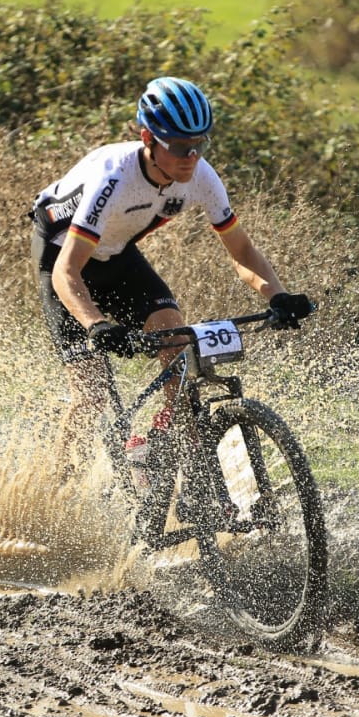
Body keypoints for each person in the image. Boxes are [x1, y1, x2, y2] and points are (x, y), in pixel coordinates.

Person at [30, 75, 314, 476]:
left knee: (176, 340)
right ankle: (54, 486)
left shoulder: (201, 177)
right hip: (63, 255)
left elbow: (242, 251)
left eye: (200, 145)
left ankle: (180, 466)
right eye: (181, 147)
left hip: (116, 254)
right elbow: (66, 271)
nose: (191, 157)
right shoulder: (113, 179)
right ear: (148, 138)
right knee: (91, 394)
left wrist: (278, 297)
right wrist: (96, 325)